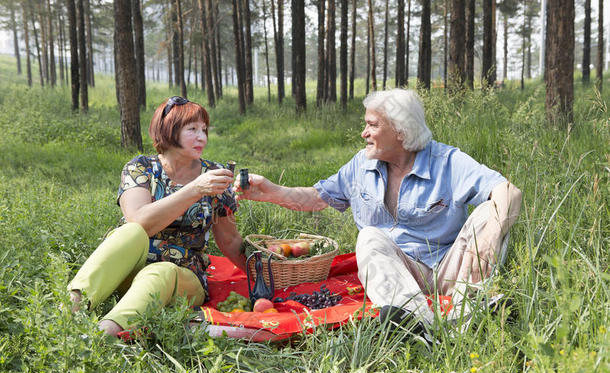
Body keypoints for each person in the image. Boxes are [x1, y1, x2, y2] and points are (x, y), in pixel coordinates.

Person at [234, 89, 522, 329]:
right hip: (397, 271)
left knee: (490, 213)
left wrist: (488, 238)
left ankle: (465, 313)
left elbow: (508, 191)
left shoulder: (447, 160)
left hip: (451, 266)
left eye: (372, 125)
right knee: (370, 236)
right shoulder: (362, 164)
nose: (364, 133)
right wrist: (272, 192)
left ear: (400, 130)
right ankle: (418, 323)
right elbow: (317, 197)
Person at [68, 96, 245, 337]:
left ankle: (102, 335)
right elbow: (140, 222)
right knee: (129, 231)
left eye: (204, 129)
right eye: (192, 129)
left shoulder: (213, 175)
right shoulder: (141, 168)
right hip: (131, 271)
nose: (202, 137)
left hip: (181, 278)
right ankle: (67, 312)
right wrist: (194, 189)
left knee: (161, 272)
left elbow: (231, 242)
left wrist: (271, 277)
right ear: (169, 129)